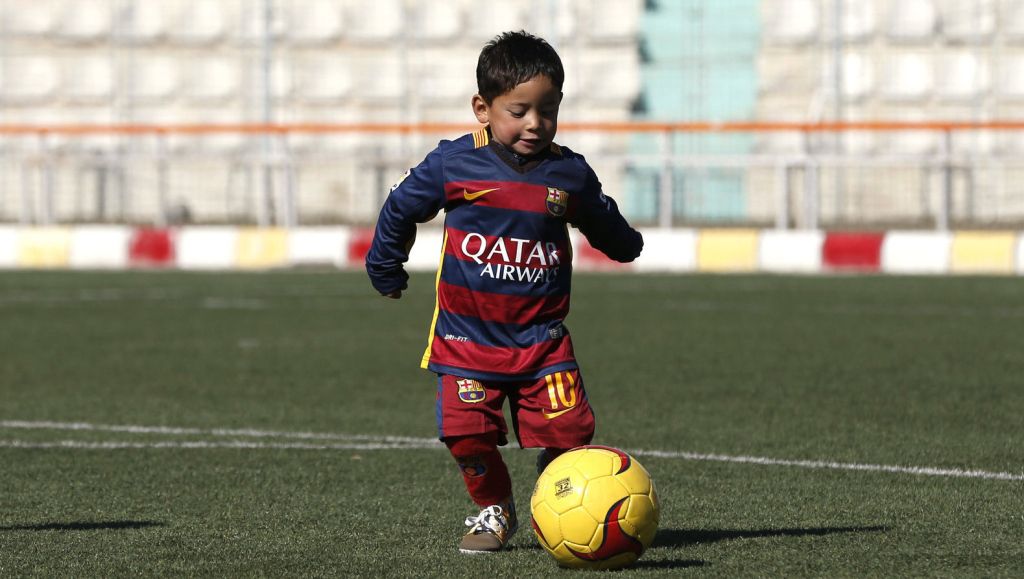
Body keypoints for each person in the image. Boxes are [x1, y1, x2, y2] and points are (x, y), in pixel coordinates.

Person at [365, 30, 643, 554]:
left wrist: (625, 244)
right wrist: (385, 265)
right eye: (519, 111)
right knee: (465, 435)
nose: (534, 124)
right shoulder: (454, 164)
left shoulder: (569, 173)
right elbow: (401, 205)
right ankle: (494, 508)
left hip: (542, 342)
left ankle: (557, 490)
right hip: (466, 340)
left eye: (548, 110)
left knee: (572, 437)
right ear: (482, 108)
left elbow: (603, 219)